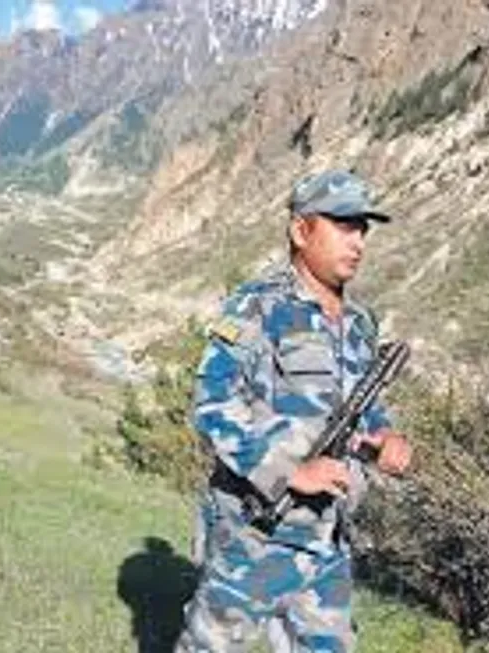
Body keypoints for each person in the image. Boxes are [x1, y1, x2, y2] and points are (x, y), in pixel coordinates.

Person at [176, 169, 413, 652]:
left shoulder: (359, 322)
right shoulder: (256, 307)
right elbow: (212, 405)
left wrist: (385, 439)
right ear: (301, 230)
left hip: (328, 541)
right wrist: (288, 471)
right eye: (344, 225)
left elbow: (363, 409)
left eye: (363, 228)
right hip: (254, 537)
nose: (358, 241)